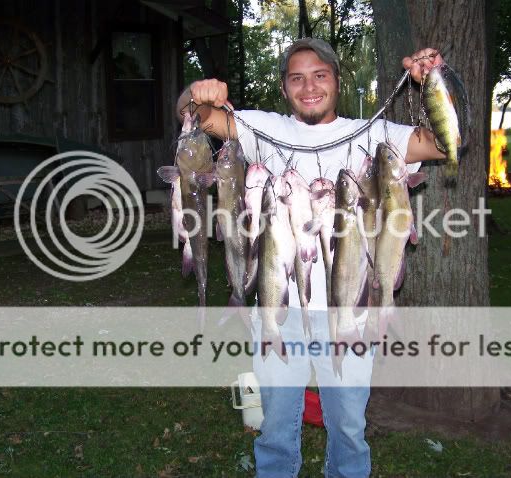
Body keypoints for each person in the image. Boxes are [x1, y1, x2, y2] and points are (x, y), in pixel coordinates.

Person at [175, 38, 447, 477]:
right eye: (297, 78)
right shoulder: (264, 128)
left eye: (320, 75)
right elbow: (194, 115)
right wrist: (197, 91)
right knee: (276, 429)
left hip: (350, 311)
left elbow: (444, 142)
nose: (309, 87)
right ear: (284, 88)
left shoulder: (377, 134)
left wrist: (434, 82)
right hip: (277, 308)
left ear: (338, 81)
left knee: (349, 429)